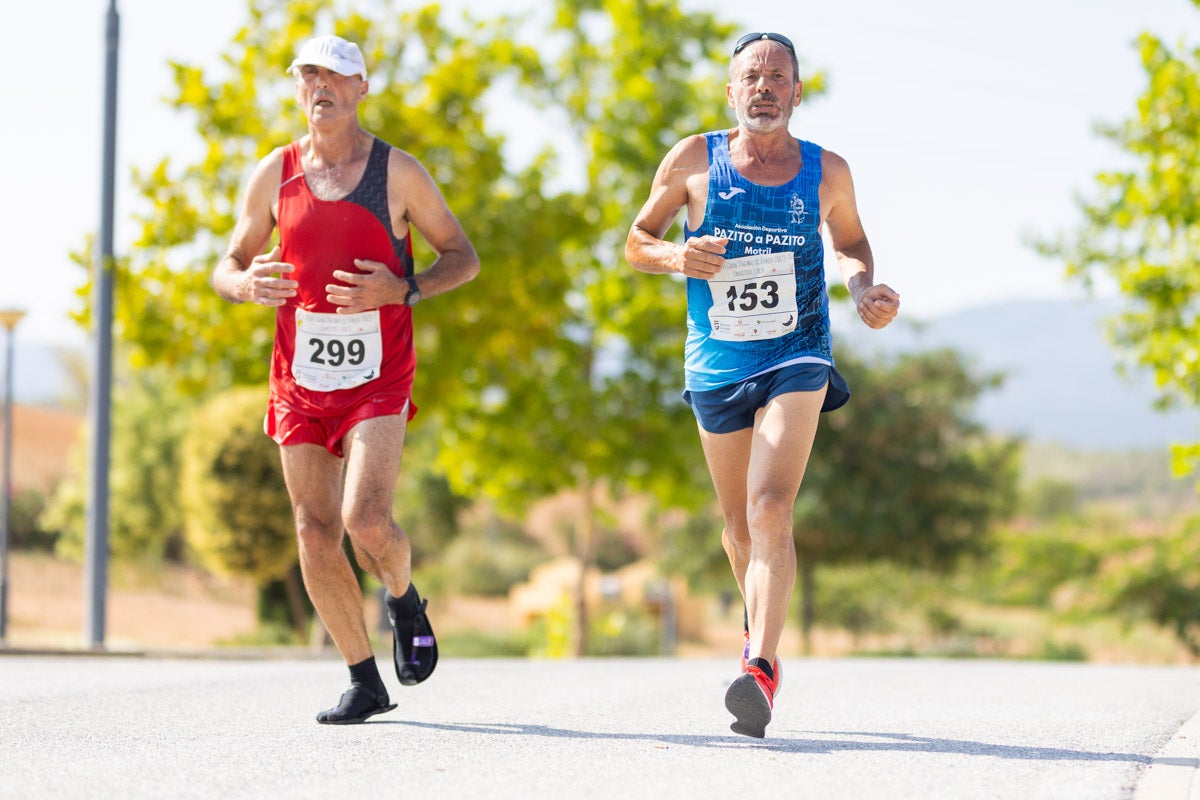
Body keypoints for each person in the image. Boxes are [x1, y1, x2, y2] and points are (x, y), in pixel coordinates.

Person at [624, 31, 899, 739]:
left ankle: (762, 670)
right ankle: (757, 629)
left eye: (779, 77)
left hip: (798, 353)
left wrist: (864, 286)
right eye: (752, 76)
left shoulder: (826, 170)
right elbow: (635, 241)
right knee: (740, 527)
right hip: (716, 361)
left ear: (798, 93)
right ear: (732, 90)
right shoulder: (693, 158)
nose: (765, 87)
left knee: (772, 506)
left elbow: (852, 243)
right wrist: (676, 256)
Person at [211, 34, 480, 724]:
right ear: (299, 89)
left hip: (378, 377)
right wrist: (246, 285)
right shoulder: (276, 172)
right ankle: (364, 679)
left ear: (362, 89)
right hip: (298, 379)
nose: (321, 86)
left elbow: (463, 257)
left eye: (337, 75)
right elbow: (228, 263)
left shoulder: (397, 173)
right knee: (313, 526)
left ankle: (403, 596)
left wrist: (404, 288)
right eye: (309, 76)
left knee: (365, 520)